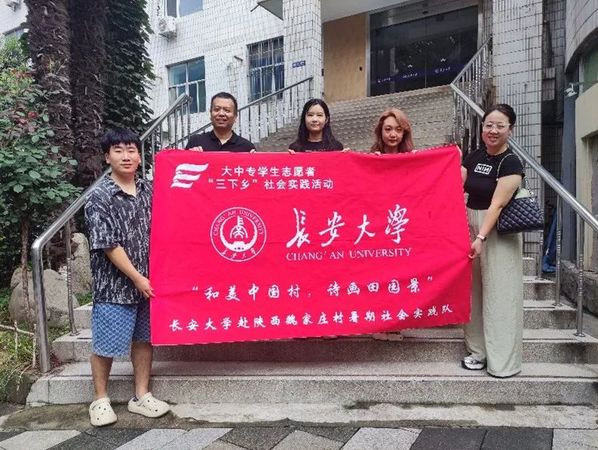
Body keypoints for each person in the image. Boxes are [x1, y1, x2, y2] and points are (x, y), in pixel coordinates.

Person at [85, 128, 169, 426]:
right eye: (118, 150)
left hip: (149, 284)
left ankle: (141, 395)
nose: (126, 156)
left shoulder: (149, 189)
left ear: (139, 156)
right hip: (114, 287)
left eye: (131, 150)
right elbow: (109, 244)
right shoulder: (99, 196)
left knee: (144, 340)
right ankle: (100, 400)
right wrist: (136, 277)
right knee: (105, 345)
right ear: (107, 157)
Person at [461, 103, 524, 378]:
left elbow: (497, 204)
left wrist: (481, 237)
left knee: (500, 295)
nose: (493, 130)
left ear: (511, 130)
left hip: (497, 231)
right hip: (471, 224)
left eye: (500, 126)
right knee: (473, 292)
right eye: (489, 125)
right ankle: (478, 352)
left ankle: (502, 362)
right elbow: (455, 183)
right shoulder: (474, 157)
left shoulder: (510, 162)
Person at [185, 92, 255, 152]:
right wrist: (190, 156)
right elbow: (182, 163)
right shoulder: (195, 142)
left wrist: (256, 160)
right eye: (216, 109)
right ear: (210, 114)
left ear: (235, 116)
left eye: (227, 110)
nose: (221, 114)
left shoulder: (246, 147)